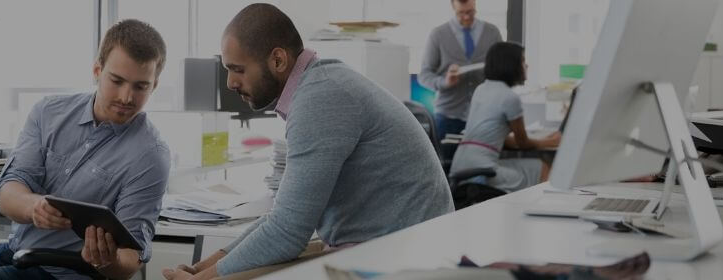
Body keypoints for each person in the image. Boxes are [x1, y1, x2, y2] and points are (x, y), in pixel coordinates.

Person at [162, 4, 451, 280]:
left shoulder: (320, 99)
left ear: (277, 60)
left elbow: (287, 233)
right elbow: (283, 219)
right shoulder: (320, 85)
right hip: (390, 246)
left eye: (237, 69)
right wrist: (200, 269)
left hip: (401, 257)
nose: (230, 83)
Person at [0, 19, 171, 280]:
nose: (126, 97)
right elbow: (9, 194)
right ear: (97, 71)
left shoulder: (150, 155)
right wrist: (35, 207)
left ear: (154, 85)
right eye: (117, 81)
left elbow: (130, 262)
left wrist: (106, 261)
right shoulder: (49, 112)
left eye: (140, 87)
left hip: (65, 274)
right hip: (17, 252)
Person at [449, 42, 560, 192]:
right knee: (542, 168)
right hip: (481, 172)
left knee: (527, 166)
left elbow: (498, 137)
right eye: (522, 61)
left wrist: (544, 140)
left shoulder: (481, 89)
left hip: (460, 167)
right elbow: (523, 143)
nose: (526, 66)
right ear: (511, 65)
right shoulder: (510, 98)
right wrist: (550, 142)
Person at [419, 0, 504, 160]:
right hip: (449, 116)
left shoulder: (492, 32)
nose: (466, 17)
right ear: (453, 6)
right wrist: (445, 82)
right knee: (448, 168)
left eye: (471, 12)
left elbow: (502, 70)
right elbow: (424, 75)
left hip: (484, 115)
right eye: (461, 13)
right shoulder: (438, 34)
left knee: (481, 166)